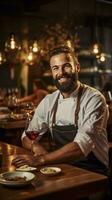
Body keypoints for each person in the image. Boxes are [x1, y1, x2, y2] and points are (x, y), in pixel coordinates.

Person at [12, 45, 109, 175]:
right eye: (55, 68)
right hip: (61, 167)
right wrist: (35, 146)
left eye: (66, 66)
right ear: (52, 72)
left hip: (93, 170)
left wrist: (41, 159)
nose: (61, 72)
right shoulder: (49, 101)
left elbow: (81, 146)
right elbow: (27, 136)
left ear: (77, 68)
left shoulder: (94, 99)